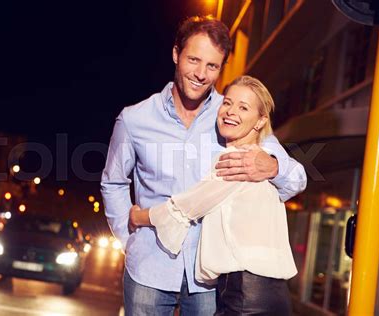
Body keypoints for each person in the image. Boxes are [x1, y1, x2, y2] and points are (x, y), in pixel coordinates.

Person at [101, 16, 306, 316]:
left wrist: (274, 166)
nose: (200, 74)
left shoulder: (235, 115)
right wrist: (127, 239)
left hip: (210, 279)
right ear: (175, 54)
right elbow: (114, 183)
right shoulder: (134, 119)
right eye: (193, 60)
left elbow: (297, 178)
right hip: (149, 269)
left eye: (212, 66)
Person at [129, 75, 297, 315]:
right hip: (271, 294)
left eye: (243, 107)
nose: (230, 111)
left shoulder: (240, 160)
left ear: (260, 122)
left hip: (245, 295)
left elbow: (183, 208)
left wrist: (138, 216)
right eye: (227, 103)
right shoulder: (262, 159)